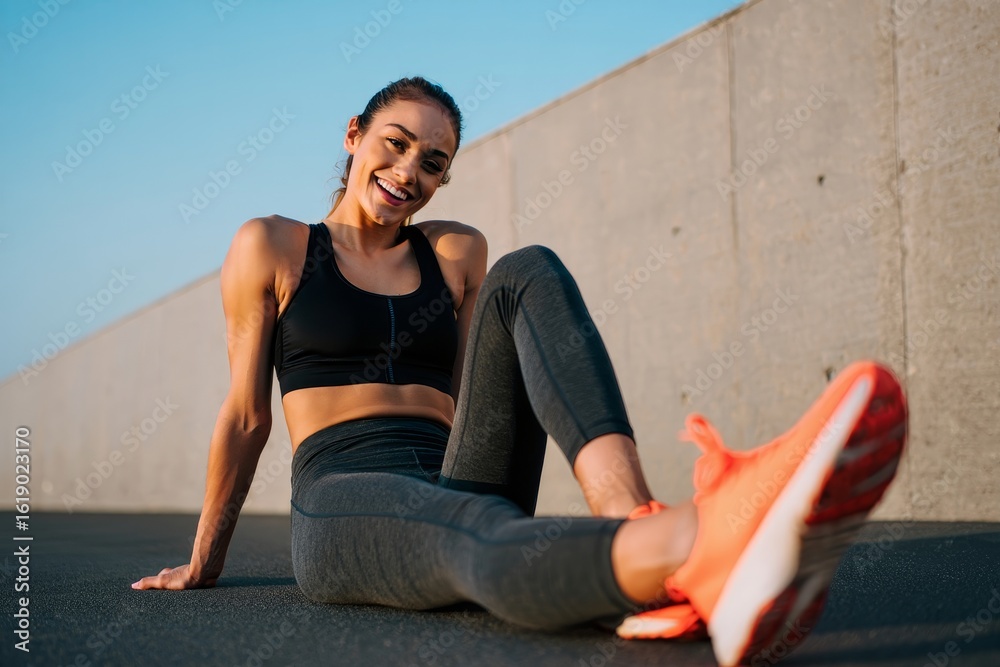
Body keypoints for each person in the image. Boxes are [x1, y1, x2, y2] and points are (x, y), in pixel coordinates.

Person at [131, 76, 908, 666]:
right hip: (343, 492)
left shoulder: (454, 253)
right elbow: (246, 417)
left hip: (452, 468)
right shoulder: (272, 245)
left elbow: (482, 393)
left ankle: (634, 519)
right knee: (475, 535)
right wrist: (205, 560)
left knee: (528, 267)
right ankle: (702, 542)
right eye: (394, 143)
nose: (407, 170)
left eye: (432, 162)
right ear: (353, 135)